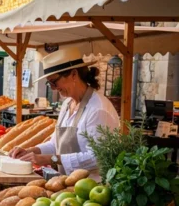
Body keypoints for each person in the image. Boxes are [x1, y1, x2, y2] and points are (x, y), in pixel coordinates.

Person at [9, 48, 119, 180]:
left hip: (93, 188)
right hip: (69, 184)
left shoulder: (98, 109)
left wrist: (52, 159)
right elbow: (55, 144)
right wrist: (32, 150)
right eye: (49, 84)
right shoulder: (67, 105)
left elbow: (98, 156)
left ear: (73, 74)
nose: (54, 88)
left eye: (54, 82)